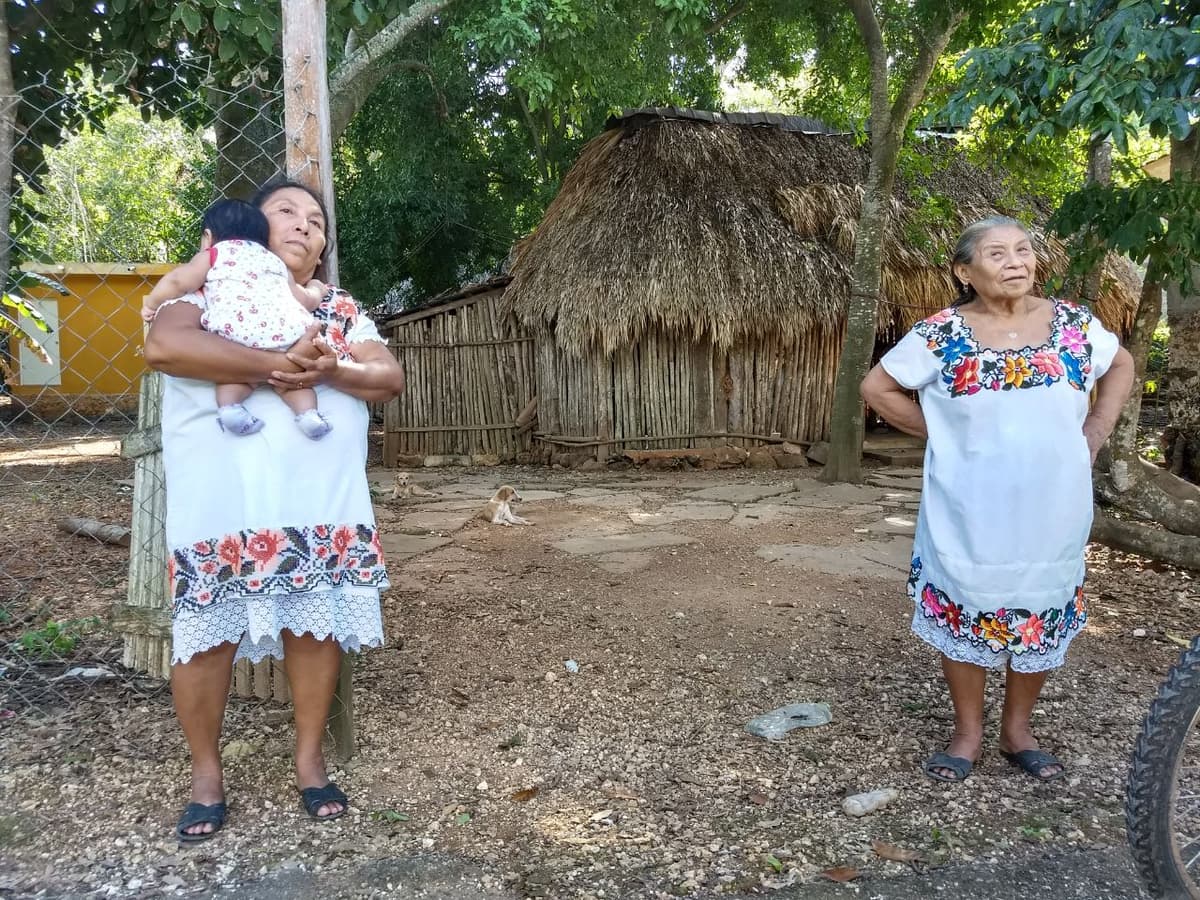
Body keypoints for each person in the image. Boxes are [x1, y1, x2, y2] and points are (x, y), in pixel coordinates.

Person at [143, 178, 405, 841]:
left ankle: (310, 762)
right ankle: (206, 775)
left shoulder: (337, 309)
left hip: (320, 509)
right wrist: (278, 363)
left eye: (316, 220)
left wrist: (330, 372)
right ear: (250, 232)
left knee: (315, 629)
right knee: (207, 638)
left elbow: (387, 377)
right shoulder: (210, 285)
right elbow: (166, 347)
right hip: (224, 508)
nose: (304, 225)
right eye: (285, 211)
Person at [861, 215, 1134, 783]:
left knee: (1039, 606)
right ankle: (967, 734)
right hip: (968, 507)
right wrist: (942, 433)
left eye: (1023, 250)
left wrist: (1097, 429)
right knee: (967, 600)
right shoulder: (941, 334)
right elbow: (876, 387)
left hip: (1052, 506)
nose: (1016, 262)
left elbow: (1121, 364)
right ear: (965, 271)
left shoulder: (1073, 325)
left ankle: (1018, 731)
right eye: (997, 253)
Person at [142, 198, 333, 440]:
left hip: (235, 331)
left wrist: (152, 303)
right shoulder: (274, 261)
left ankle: (230, 408)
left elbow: (179, 281)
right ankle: (308, 414)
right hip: (287, 332)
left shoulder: (214, 254)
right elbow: (304, 299)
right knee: (296, 384)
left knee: (233, 374)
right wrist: (317, 288)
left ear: (207, 237)